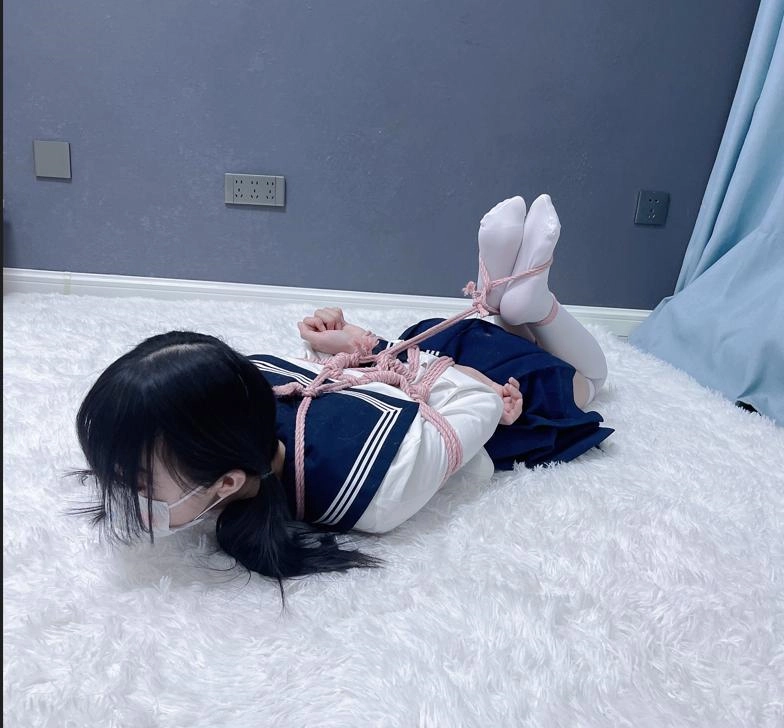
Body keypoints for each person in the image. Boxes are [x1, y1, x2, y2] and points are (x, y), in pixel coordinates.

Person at [73, 195, 613, 590]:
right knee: (536, 359)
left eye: (136, 480)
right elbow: (447, 399)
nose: (121, 491)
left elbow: (469, 398)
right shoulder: (246, 393)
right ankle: (515, 304)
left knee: (592, 381)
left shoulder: (370, 485)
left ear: (228, 480)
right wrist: (364, 345)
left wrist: (349, 345)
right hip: (453, 386)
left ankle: (520, 305)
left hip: (477, 394)